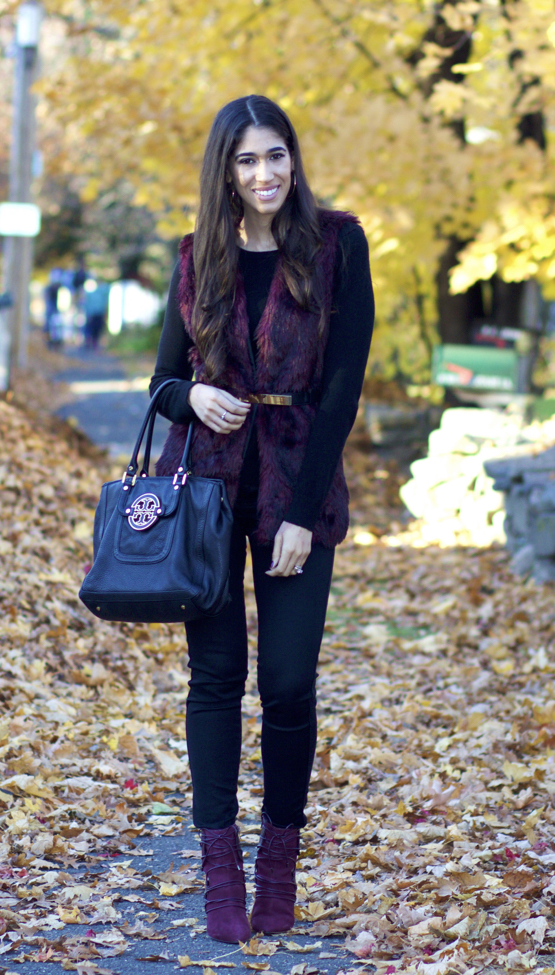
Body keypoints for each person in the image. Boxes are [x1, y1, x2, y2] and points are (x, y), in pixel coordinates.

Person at [149, 95, 375, 944]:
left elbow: (344, 384)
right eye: (245, 161)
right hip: (207, 490)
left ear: (293, 157)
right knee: (213, 681)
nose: (264, 174)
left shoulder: (335, 243)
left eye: (275, 155)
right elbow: (161, 382)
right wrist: (191, 393)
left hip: (296, 484)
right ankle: (221, 871)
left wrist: (304, 512)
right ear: (225, 171)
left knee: (284, 681)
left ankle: (278, 864)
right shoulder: (195, 254)